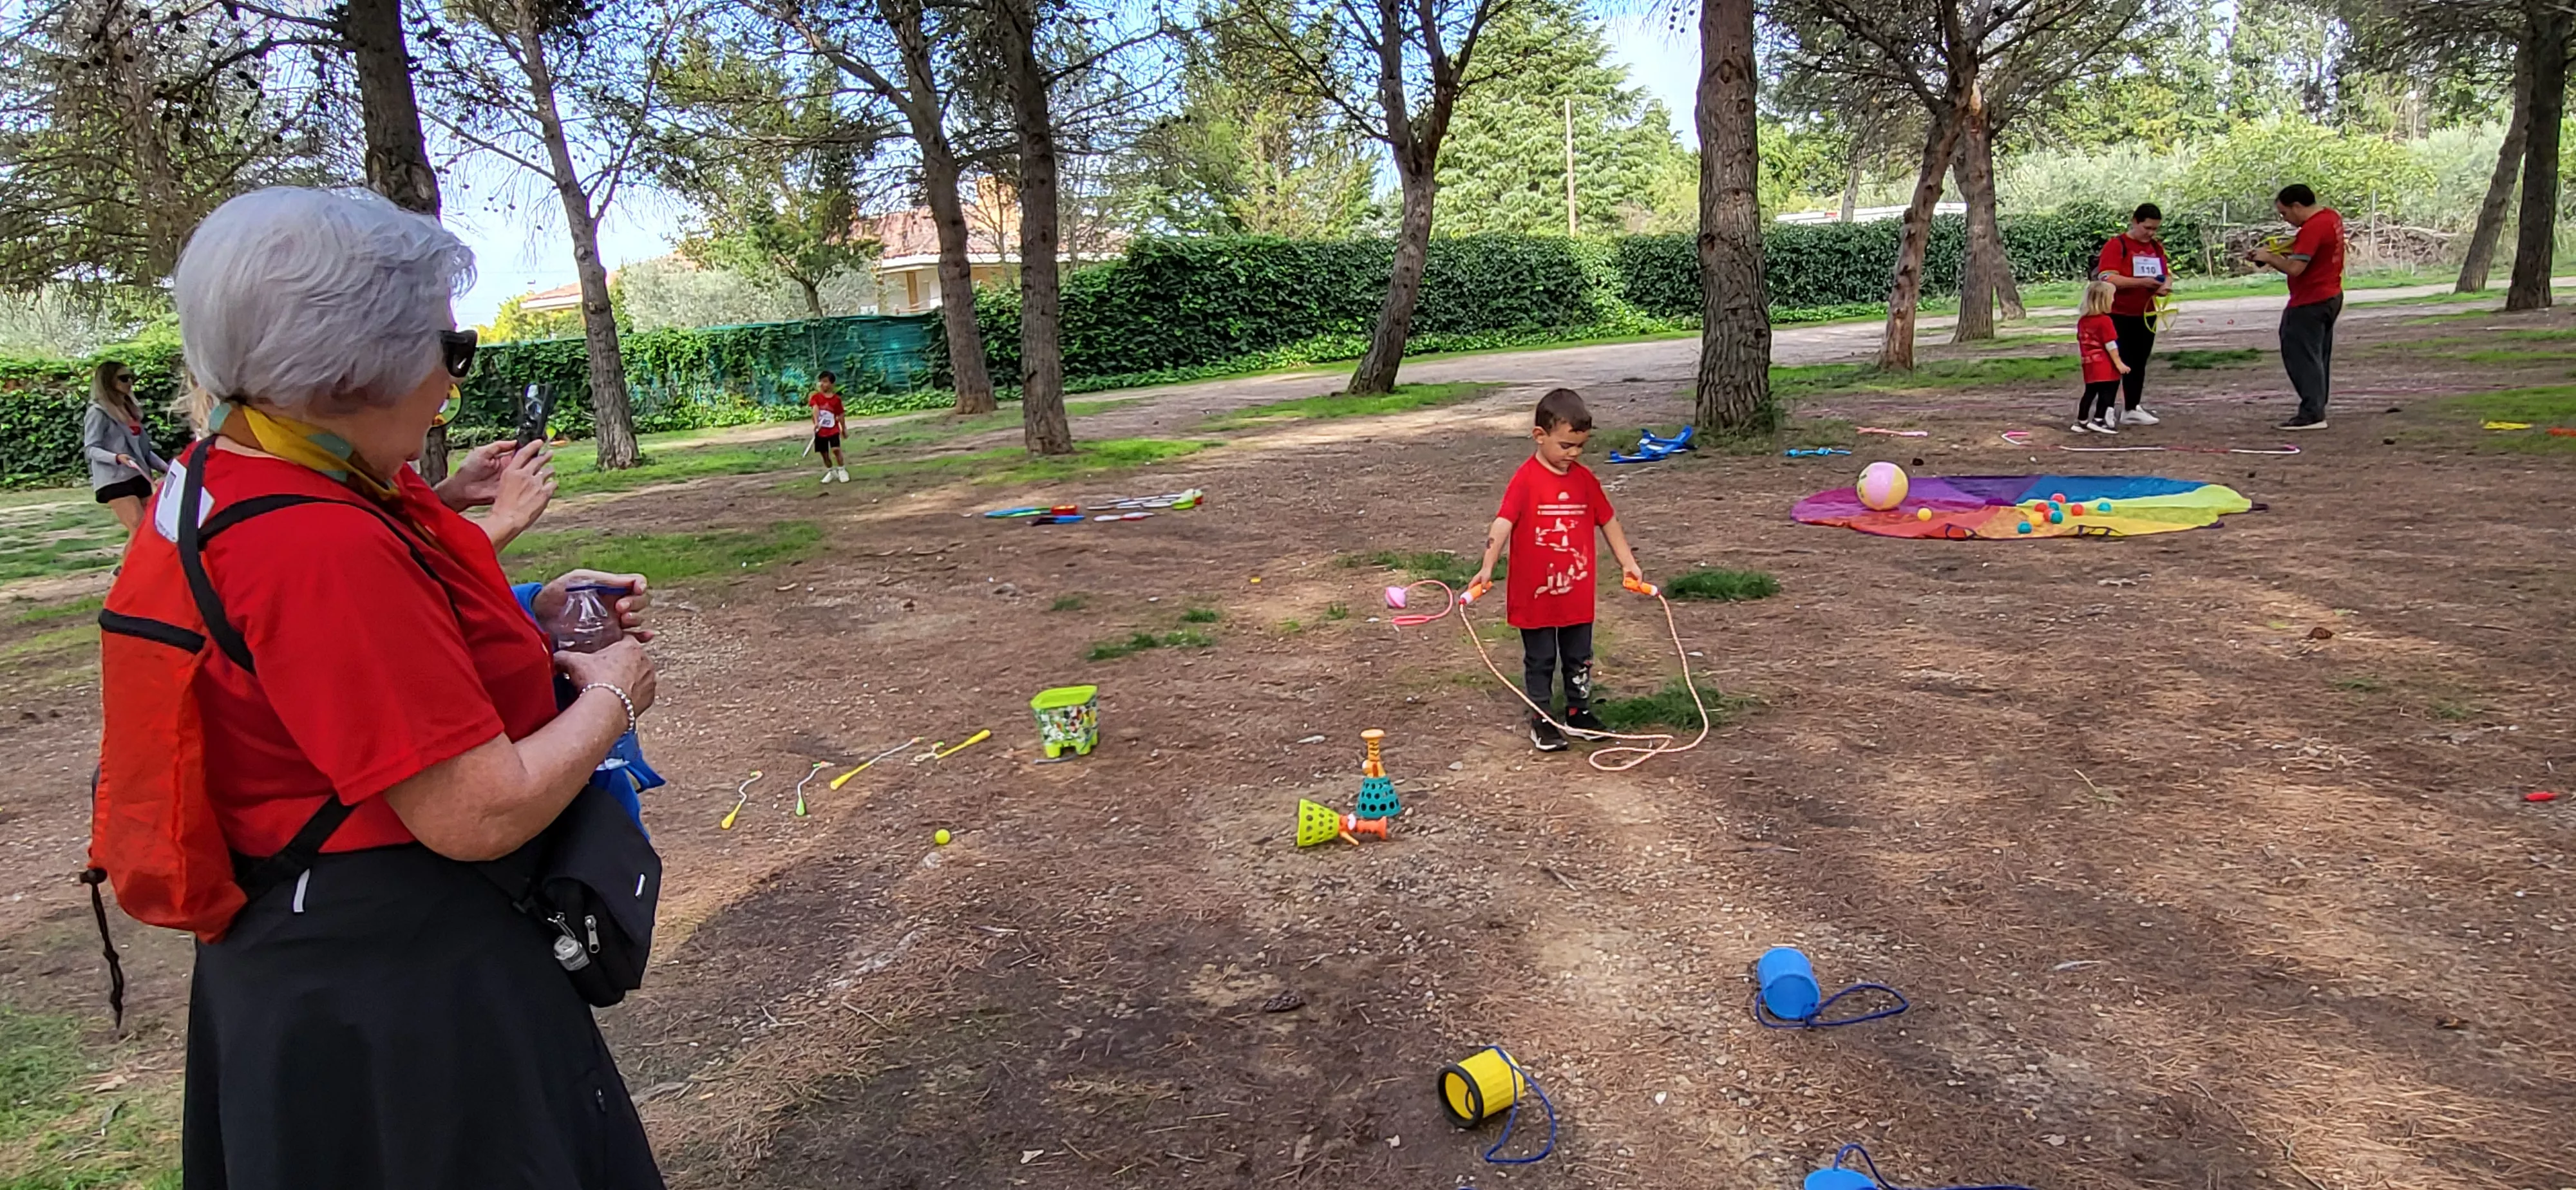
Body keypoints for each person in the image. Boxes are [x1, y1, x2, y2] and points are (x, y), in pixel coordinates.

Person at [139, 187, 665, 1189]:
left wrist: (528, 619)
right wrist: (614, 695)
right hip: (401, 992)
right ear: (351, 372)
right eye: (448, 353)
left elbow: (336, 684)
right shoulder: (320, 544)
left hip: (306, 960)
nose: (449, 390)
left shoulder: (220, 478)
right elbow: (475, 811)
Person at [1469, 388, 1647, 753]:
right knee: (1541, 658)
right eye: (1566, 446)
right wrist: (1487, 567)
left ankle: (1578, 712)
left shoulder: (1584, 481)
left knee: (1579, 656)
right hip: (1535, 594)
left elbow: (1608, 521)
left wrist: (1628, 563)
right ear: (1540, 436)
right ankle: (1543, 719)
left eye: (1580, 446)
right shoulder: (1526, 480)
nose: (1574, 454)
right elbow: (1503, 523)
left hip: (1576, 593)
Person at [2246, 184, 2344, 431]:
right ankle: (2317, 406)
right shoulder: (2330, 217)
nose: (2285, 219)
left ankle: (2312, 413)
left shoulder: (2312, 228)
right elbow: (2303, 245)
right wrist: (2278, 248)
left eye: (2285, 214)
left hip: (2310, 301)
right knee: (2318, 356)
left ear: (2297, 206)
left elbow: (2295, 268)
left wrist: (2270, 258)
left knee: (2302, 356)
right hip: (2331, 296)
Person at [2092, 202, 2172, 426]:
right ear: (2135, 221)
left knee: (2139, 362)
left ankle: (2132, 408)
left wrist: (2164, 285)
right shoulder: (2117, 245)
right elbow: (2107, 277)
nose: (2151, 233)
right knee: (2115, 361)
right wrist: (2141, 283)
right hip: (2118, 313)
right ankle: (2105, 409)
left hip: (2146, 314)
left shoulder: (2156, 248)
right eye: (2147, 228)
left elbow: (2165, 274)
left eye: (2155, 229)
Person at [84, 360, 166, 535]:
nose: (130, 383)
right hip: (114, 479)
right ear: (108, 382)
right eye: (124, 378)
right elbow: (91, 448)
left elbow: (144, 451)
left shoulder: (131, 410)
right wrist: (116, 458)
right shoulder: (98, 412)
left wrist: (166, 467)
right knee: (138, 528)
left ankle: (136, 564)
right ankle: (131, 564)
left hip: (139, 475)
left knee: (150, 530)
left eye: (131, 378)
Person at [2073, 280, 2132, 434]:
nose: (2114, 300)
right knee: (2108, 392)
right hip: (2104, 364)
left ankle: (2082, 420)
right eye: (2112, 297)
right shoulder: (2105, 321)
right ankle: (2099, 419)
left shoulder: (2083, 321)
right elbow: (2110, 345)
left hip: (2089, 363)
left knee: (2090, 392)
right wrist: (2119, 363)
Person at [808, 371, 848, 483]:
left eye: (825, 381)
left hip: (833, 429)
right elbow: (815, 409)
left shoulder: (836, 400)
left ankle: (842, 470)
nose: (822, 384)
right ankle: (831, 472)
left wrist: (843, 428)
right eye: (821, 381)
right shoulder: (816, 397)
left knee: (836, 449)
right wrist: (816, 423)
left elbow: (840, 415)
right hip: (821, 431)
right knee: (824, 454)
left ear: (832, 384)